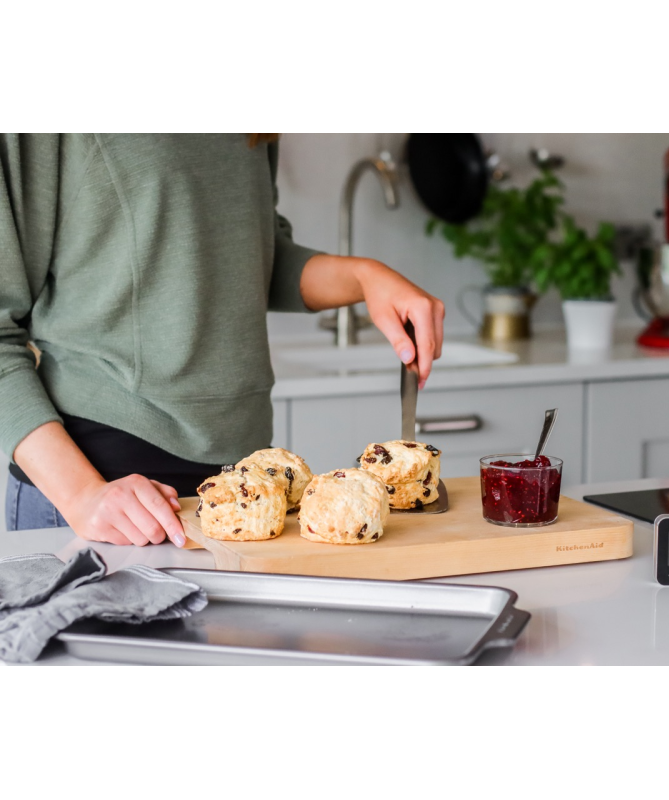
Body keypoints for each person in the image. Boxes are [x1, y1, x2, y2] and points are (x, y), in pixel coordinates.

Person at [1, 133, 445, 546]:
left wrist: (365, 277)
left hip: (247, 487)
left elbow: (246, 256)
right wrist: (81, 496)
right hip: (106, 493)